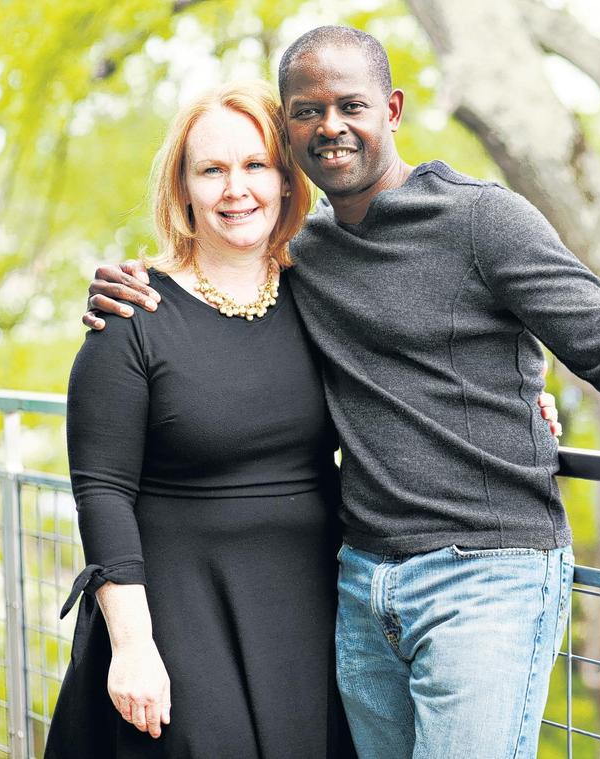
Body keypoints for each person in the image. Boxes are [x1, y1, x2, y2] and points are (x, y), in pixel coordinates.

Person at [83, 26, 600, 759]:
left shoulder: (482, 219)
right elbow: (219, 335)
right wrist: (126, 281)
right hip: (361, 582)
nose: (330, 126)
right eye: (307, 112)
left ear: (393, 110)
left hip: (486, 574)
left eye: (350, 105)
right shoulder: (301, 258)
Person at [45, 80, 356, 758]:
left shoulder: (326, 299)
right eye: (211, 169)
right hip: (177, 618)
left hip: (311, 615)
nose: (235, 188)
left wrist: (520, 401)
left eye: (254, 165)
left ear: (284, 180)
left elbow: (413, 379)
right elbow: (101, 490)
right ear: (183, 189)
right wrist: (131, 645)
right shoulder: (130, 318)